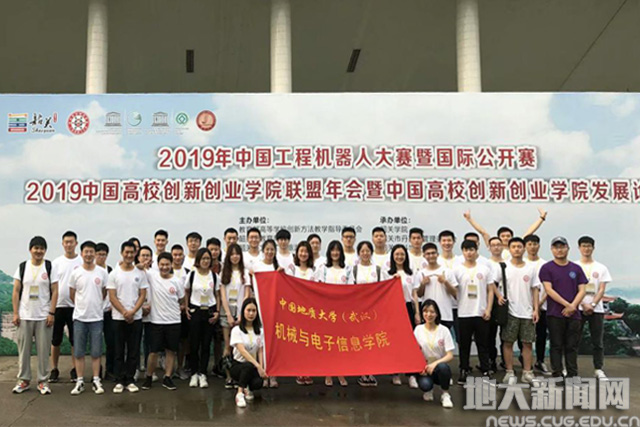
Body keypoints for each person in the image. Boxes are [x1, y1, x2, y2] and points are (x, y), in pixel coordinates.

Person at [11, 236, 58, 395]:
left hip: (43, 316)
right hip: (24, 316)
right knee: (24, 351)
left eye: (41, 248)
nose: (39, 251)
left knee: (43, 352)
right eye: (36, 248)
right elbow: (16, 291)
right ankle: (23, 380)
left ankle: (43, 381)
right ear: (30, 250)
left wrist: (51, 313)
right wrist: (16, 313)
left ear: (45, 250)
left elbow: (55, 291)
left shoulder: (49, 267)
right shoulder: (23, 267)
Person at [539, 236, 587, 384]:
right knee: (556, 345)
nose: (559, 250)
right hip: (555, 313)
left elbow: (582, 290)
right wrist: (567, 304)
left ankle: (572, 374)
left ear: (568, 248)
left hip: (574, 314)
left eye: (562, 247)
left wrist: (573, 306)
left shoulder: (576, 268)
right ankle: (557, 374)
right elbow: (549, 290)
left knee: (572, 346)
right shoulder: (547, 268)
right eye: (556, 247)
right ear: (551, 249)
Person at [69, 240, 109, 395]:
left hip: (96, 318)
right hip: (80, 318)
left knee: (96, 352)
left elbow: (104, 292)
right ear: (81, 253)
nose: (89, 254)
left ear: (95, 254)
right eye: (86, 251)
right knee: (79, 352)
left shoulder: (102, 272)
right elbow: (72, 294)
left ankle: (96, 380)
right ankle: (79, 381)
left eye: (91, 251)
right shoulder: (76, 273)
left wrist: (96, 305)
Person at [108, 240, 148, 393]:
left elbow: (142, 294)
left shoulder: (140, 273)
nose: (129, 255)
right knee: (118, 350)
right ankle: (119, 379)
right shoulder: (114, 274)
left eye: (132, 252)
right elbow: (112, 296)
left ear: (135, 254)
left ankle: (130, 379)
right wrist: (124, 312)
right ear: (122, 253)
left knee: (133, 350)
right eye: (127, 252)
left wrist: (133, 311)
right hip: (118, 318)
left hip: (136, 318)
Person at [141, 252, 185, 391]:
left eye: (167, 264)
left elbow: (181, 299)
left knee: (171, 351)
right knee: (153, 351)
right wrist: (144, 264)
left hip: (174, 321)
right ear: (157, 265)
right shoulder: (152, 276)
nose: (164, 267)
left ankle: (167, 377)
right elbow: (137, 267)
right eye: (162, 264)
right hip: (156, 321)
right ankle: (148, 376)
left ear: (171, 265)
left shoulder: (177, 281)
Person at [499, 238, 541, 385]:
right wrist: (499, 296)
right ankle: (509, 372)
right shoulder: (503, 267)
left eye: (519, 246)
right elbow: (492, 284)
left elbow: (535, 289)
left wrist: (536, 309)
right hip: (510, 311)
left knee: (527, 343)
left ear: (524, 249)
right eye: (514, 247)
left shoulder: (531, 268)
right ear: (509, 249)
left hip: (527, 312)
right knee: (508, 342)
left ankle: (527, 373)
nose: (517, 249)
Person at [454, 239, 495, 384]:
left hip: (481, 312)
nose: (469, 253)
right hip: (464, 313)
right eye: (466, 250)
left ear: (476, 251)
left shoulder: (484, 269)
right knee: (464, 345)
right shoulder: (457, 270)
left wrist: (488, 309)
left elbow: (491, 291)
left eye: (471, 250)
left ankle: (485, 369)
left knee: (482, 344)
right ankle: (464, 369)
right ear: (462, 252)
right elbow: (453, 290)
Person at [314, 240, 351, 387]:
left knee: (341, 343)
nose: (335, 253)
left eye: (337, 250)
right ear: (329, 253)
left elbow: (351, 290)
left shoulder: (347, 270)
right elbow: (315, 288)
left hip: (342, 312)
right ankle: (328, 372)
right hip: (326, 312)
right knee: (328, 343)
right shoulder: (323, 269)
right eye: (332, 250)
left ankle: (340, 372)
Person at [576, 236, 612, 380]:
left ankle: (598, 369)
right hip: (578, 308)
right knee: (573, 340)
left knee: (597, 341)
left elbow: (601, 289)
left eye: (589, 246)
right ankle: (570, 368)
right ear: (579, 248)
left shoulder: (601, 267)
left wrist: (592, 304)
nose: (586, 249)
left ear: (593, 248)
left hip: (596, 309)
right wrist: (582, 304)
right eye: (584, 246)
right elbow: (572, 288)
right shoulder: (574, 266)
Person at [382, 244, 418, 387]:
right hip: (393, 309)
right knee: (394, 342)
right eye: (397, 254)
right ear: (392, 257)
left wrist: (417, 312)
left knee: (410, 341)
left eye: (402, 254)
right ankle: (395, 373)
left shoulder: (411, 273)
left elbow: (414, 294)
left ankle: (411, 374)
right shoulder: (387, 273)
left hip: (408, 307)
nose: (399, 257)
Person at [51, 230, 82, 383]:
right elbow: (52, 286)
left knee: (74, 341)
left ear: (76, 243)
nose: (69, 245)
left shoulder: (81, 261)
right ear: (62, 244)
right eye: (66, 242)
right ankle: (54, 369)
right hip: (58, 306)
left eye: (71, 242)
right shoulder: (56, 263)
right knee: (55, 340)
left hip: (75, 307)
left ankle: (75, 369)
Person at [184, 248, 219, 388]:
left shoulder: (214, 276)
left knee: (206, 344)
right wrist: (187, 307)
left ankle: (203, 373)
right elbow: (186, 291)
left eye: (208, 259)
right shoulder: (192, 274)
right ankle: (194, 373)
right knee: (194, 344)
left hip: (209, 311)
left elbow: (217, 294)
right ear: (198, 260)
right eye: (203, 258)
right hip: (195, 310)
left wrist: (217, 311)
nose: (205, 261)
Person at [220, 243, 251, 389]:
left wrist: (240, 315)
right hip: (227, 312)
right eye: (232, 254)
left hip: (241, 312)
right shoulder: (224, 272)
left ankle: (239, 377)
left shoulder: (245, 272)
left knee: (240, 347)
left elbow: (247, 294)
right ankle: (228, 376)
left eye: (237, 253)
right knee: (228, 346)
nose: (235, 256)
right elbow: (222, 295)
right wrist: (228, 314)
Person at [413, 299, 454, 408]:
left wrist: (435, 364)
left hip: (438, 366)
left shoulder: (444, 330)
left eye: (432, 312)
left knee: (444, 368)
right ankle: (429, 390)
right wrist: (419, 366)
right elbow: (414, 351)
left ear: (437, 314)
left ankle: (445, 394)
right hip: (424, 368)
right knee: (425, 385)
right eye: (425, 311)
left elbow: (450, 355)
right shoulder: (418, 329)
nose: (428, 314)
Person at [463, 208, 548, 261]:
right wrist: (469, 219)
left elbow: (529, 232)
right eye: (503, 236)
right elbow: (483, 233)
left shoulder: (516, 246)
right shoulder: (495, 246)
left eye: (508, 236)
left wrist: (541, 218)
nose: (506, 238)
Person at [351, 240, 380, 387]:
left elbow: (385, 286)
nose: (365, 253)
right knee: (361, 341)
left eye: (367, 251)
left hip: (374, 310)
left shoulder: (378, 269)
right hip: (359, 311)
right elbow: (350, 290)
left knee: (372, 341)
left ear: (371, 252)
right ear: (358, 253)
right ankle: (363, 371)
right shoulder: (354, 270)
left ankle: (372, 371)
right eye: (362, 251)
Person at [230, 298, 266, 408]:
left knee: (258, 383)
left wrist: (261, 368)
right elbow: (242, 351)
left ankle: (247, 387)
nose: (251, 313)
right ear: (243, 311)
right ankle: (239, 393)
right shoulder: (237, 330)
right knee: (248, 366)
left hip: (253, 366)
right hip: (238, 365)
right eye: (248, 310)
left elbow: (260, 350)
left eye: (254, 311)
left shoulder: (260, 331)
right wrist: (257, 365)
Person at [413, 243, 458, 331]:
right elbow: (419, 295)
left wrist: (445, 282)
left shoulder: (447, 271)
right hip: (428, 315)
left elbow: (455, 293)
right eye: (428, 254)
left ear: (437, 254)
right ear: (424, 256)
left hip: (445, 315)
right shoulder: (420, 273)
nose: (431, 256)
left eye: (433, 253)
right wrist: (423, 284)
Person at [523, 234, 550, 376]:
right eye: (529, 244)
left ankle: (540, 360)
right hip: (523, 307)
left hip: (542, 306)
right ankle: (524, 361)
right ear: (525, 246)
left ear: (539, 246)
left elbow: (549, 288)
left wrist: (539, 303)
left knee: (541, 334)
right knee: (523, 336)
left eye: (535, 244)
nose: (532, 247)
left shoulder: (545, 265)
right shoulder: (521, 263)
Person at [437, 230, 463, 347]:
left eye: (449, 240)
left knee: (461, 338)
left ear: (454, 242)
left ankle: (463, 360)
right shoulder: (435, 260)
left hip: (460, 306)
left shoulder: (461, 260)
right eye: (444, 240)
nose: (446, 243)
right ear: (439, 242)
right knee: (440, 340)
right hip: (441, 306)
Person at [171, 244, 191, 381]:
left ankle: (180, 367)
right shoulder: (166, 271)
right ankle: (170, 369)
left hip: (183, 313)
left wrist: (184, 305)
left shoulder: (188, 272)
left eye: (180, 255)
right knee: (171, 343)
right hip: (168, 313)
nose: (177, 258)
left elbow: (188, 292)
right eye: (175, 255)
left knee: (183, 341)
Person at [96, 242, 115, 382]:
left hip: (108, 312)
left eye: (104, 254)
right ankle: (97, 370)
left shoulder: (110, 271)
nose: (101, 257)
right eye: (99, 254)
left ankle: (110, 369)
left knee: (110, 342)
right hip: (95, 313)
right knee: (96, 343)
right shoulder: (92, 270)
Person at [137, 246, 155, 381]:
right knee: (135, 343)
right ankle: (136, 369)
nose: (145, 258)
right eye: (143, 255)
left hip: (151, 313)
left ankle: (149, 370)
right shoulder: (134, 272)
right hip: (137, 312)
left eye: (148, 255)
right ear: (138, 257)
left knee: (149, 344)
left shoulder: (154, 273)